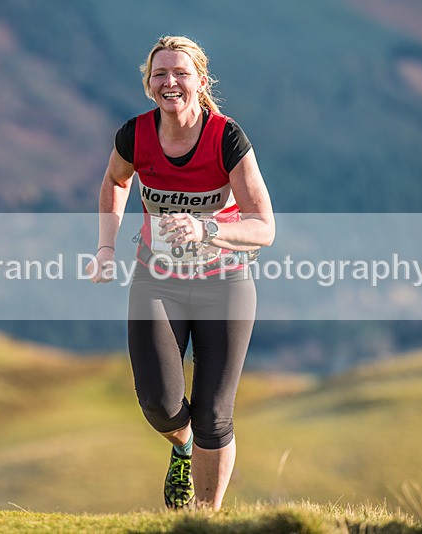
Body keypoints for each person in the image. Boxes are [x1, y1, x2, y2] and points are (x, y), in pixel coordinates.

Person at [89, 35, 275, 511]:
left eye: (181, 73)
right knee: (159, 403)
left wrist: (205, 227)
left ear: (200, 80)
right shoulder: (135, 135)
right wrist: (106, 248)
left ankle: (203, 518)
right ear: (149, 84)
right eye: (160, 74)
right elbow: (115, 179)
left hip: (225, 282)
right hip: (157, 280)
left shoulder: (226, 138)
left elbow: (264, 227)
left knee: (214, 413)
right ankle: (181, 445)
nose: (170, 82)